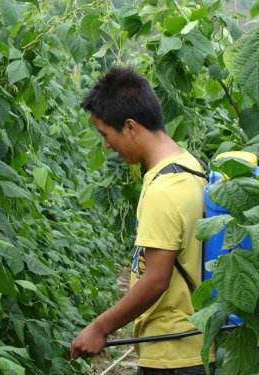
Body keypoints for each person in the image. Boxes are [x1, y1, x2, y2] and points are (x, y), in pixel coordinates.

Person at [70, 66, 214, 374]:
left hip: (175, 353)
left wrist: (100, 327)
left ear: (131, 126)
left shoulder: (165, 189)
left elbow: (156, 280)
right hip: (191, 345)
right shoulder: (188, 165)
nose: (107, 145)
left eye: (105, 135)